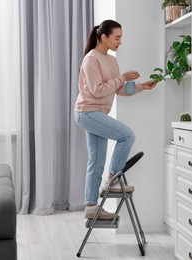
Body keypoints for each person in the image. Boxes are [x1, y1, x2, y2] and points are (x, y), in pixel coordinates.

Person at [74, 20, 158, 219]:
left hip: (97, 114)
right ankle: (112, 180)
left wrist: (140, 87)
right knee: (127, 135)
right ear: (104, 37)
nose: (120, 42)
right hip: (87, 112)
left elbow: (117, 89)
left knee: (96, 163)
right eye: (117, 37)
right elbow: (98, 90)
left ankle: (91, 207)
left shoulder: (111, 61)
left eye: (121, 38)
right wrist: (123, 77)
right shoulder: (91, 59)